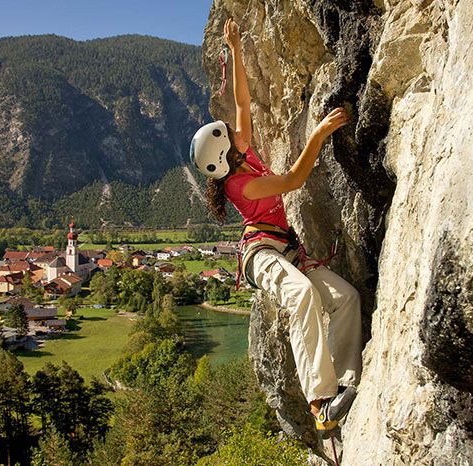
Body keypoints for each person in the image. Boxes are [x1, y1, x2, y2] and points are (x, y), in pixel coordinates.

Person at [190, 19, 362, 434]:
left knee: (346, 297)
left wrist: (234, 49)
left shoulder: (241, 154)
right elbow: (291, 181)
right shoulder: (242, 184)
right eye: (229, 135)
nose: (236, 131)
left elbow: (244, 104)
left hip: (286, 249)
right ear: (226, 155)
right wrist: (318, 134)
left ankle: (346, 384)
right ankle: (320, 402)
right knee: (302, 295)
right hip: (262, 254)